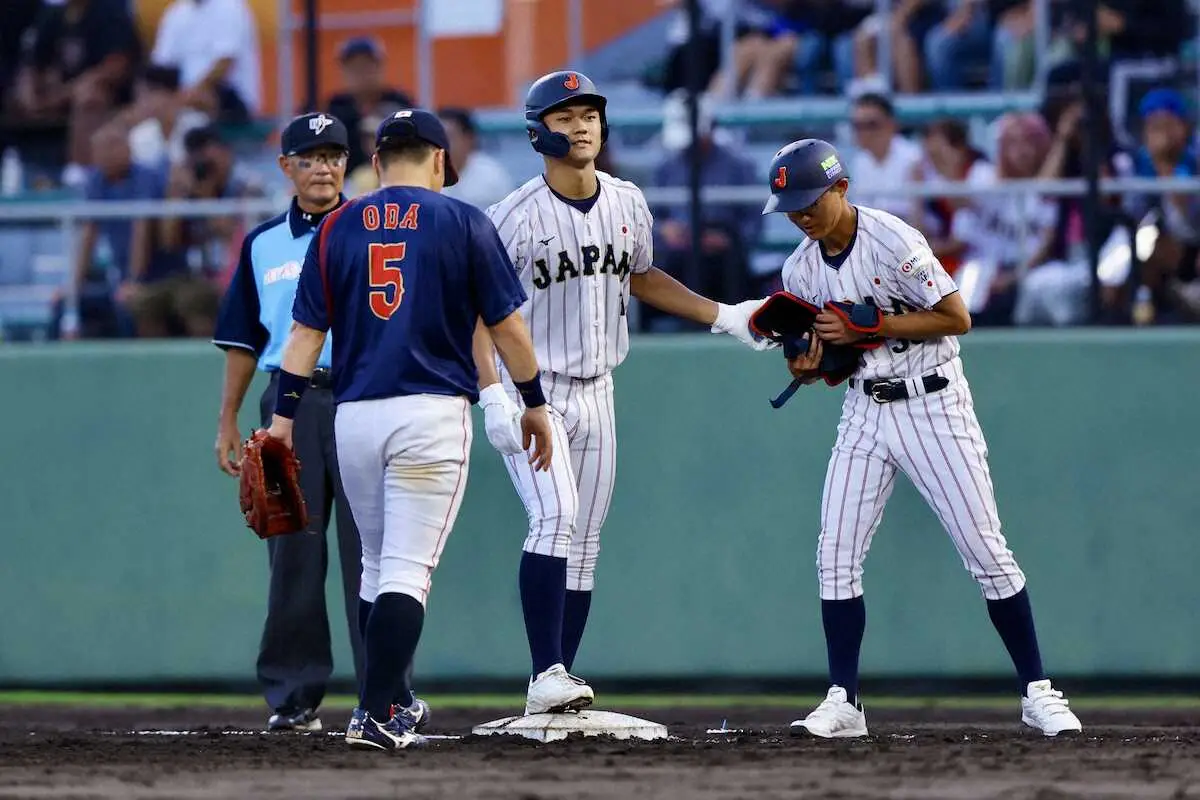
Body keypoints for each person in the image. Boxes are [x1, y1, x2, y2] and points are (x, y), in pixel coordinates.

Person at [758, 138, 1083, 738]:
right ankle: (843, 700)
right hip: (866, 408)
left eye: (809, 200)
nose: (801, 215)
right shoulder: (799, 267)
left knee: (986, 550)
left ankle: (1039, 691)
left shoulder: (893, 239)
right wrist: (810, 360)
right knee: (835, 554)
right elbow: (829, 353)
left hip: (933, 403)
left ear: (840, 188)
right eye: (791, 206)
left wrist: (875, 323)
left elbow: (958, 317)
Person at [474, 71, 773, 717]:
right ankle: (544, 673)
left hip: (600, 386)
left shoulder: (627, 201)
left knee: (583, 543)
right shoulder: (513, 217)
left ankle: (557, 684)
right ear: (537, 132)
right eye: (565, 116)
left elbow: (640, 276)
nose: (581, 125)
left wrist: (723, 315)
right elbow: (477, 312)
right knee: (553, 519)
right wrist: (492, 395)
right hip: (537, 390)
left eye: (589, 114)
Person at [264, 108, 553, 750]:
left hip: (354, 416)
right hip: (430, 413)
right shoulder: (462, 220)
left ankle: (390, 703)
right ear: (441, 162)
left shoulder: (336, 227)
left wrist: (283, 420)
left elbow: (304, 337)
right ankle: (373, 713)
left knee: (375, 568)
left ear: (375, 160)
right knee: (406, 571)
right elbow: (507, 327)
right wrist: (531, 400)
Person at [210, 112, 366, 732]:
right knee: (292, 555)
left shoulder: (372, 231)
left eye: (334, 155)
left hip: (362, 396)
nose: (323, 167)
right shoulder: (263, 243)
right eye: (309, 156)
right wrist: (226, 419)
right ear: (286, 167)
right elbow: (243, 341)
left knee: (371, 556)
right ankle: (294, 697)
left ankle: (383, 694)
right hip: (288, 406)